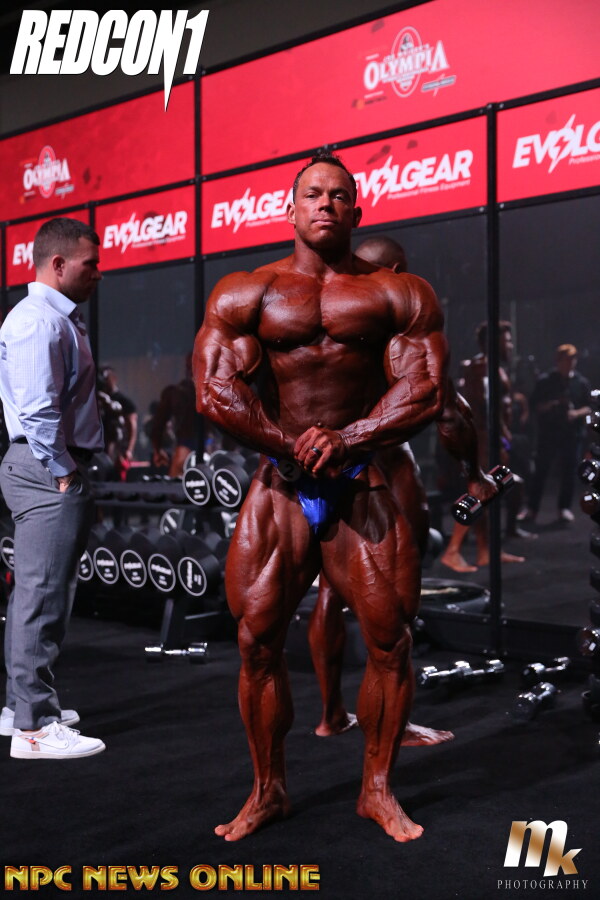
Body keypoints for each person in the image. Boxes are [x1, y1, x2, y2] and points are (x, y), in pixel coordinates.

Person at [194, 152, 455, 843]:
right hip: (283, 481)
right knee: (256, 640)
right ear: (291, 209)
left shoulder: (398, 292)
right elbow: (214, 390)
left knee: (390, 640)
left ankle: (377, 790)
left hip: (360, 478)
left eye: (339, 195)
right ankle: (268, 790)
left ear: (357, 210)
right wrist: (290, 443)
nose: (326, 205)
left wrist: (351, 436)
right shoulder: (247, 292)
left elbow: (426, 387)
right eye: (313, 194)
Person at [309, 234, 496, 740]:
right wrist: (474, 474)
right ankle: (394, 726)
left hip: (321, 472)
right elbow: (449, 413)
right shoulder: (399, 328)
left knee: (329, 590)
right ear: (392, 271)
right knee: (396, 605)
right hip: (383, 469)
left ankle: (330, 715)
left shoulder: (325, 325)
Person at [0, 217, 106, 760]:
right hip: (45, 469)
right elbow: (38, 411)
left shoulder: (54, 318)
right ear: (59, 264)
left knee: (40, 593)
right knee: (41, 596)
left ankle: (19, 706)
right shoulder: (37, 321)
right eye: (91, 264)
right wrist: (63, 471)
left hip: (47, 466)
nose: (99, 273)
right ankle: (35, 728)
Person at [440, 320, 525, 572]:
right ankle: (452, 550)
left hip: (491, 439)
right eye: (506, 341)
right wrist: (499, 436)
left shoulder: (492, 367)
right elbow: (482, 406)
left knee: (489, 492)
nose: (510, 345)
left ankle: (485, 551)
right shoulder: (480, 368)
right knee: (481, 491)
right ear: (492, 342)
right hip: (485, 440)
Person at [522, 344, 591, 523]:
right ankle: (532, 509)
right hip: (549, 433)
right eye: (567, 359)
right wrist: (552, 405)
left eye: (573, 359)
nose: (570, 363)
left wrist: (575, 413)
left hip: (572, 434)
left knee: (569, 472)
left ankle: (564, 508)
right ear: (558, 361)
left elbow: (589, 406)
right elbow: (534, 405)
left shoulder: (581, 382)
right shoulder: (545, 381)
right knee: (541, 471)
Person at [150, 353, 197, 477]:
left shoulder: (177, 393)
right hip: (188, 448)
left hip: (195, 449)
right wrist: (158, 449)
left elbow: (158, 425)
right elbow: (158, 425)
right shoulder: (177, 393)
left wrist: (158, 449)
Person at [97, 365, 138, 480]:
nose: (104, 381)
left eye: (106, 377)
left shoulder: (125, 401)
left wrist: (129, 450)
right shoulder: (97, 398)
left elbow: (132, 427)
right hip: (101, 446)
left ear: (113, 378)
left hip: (118, 448)